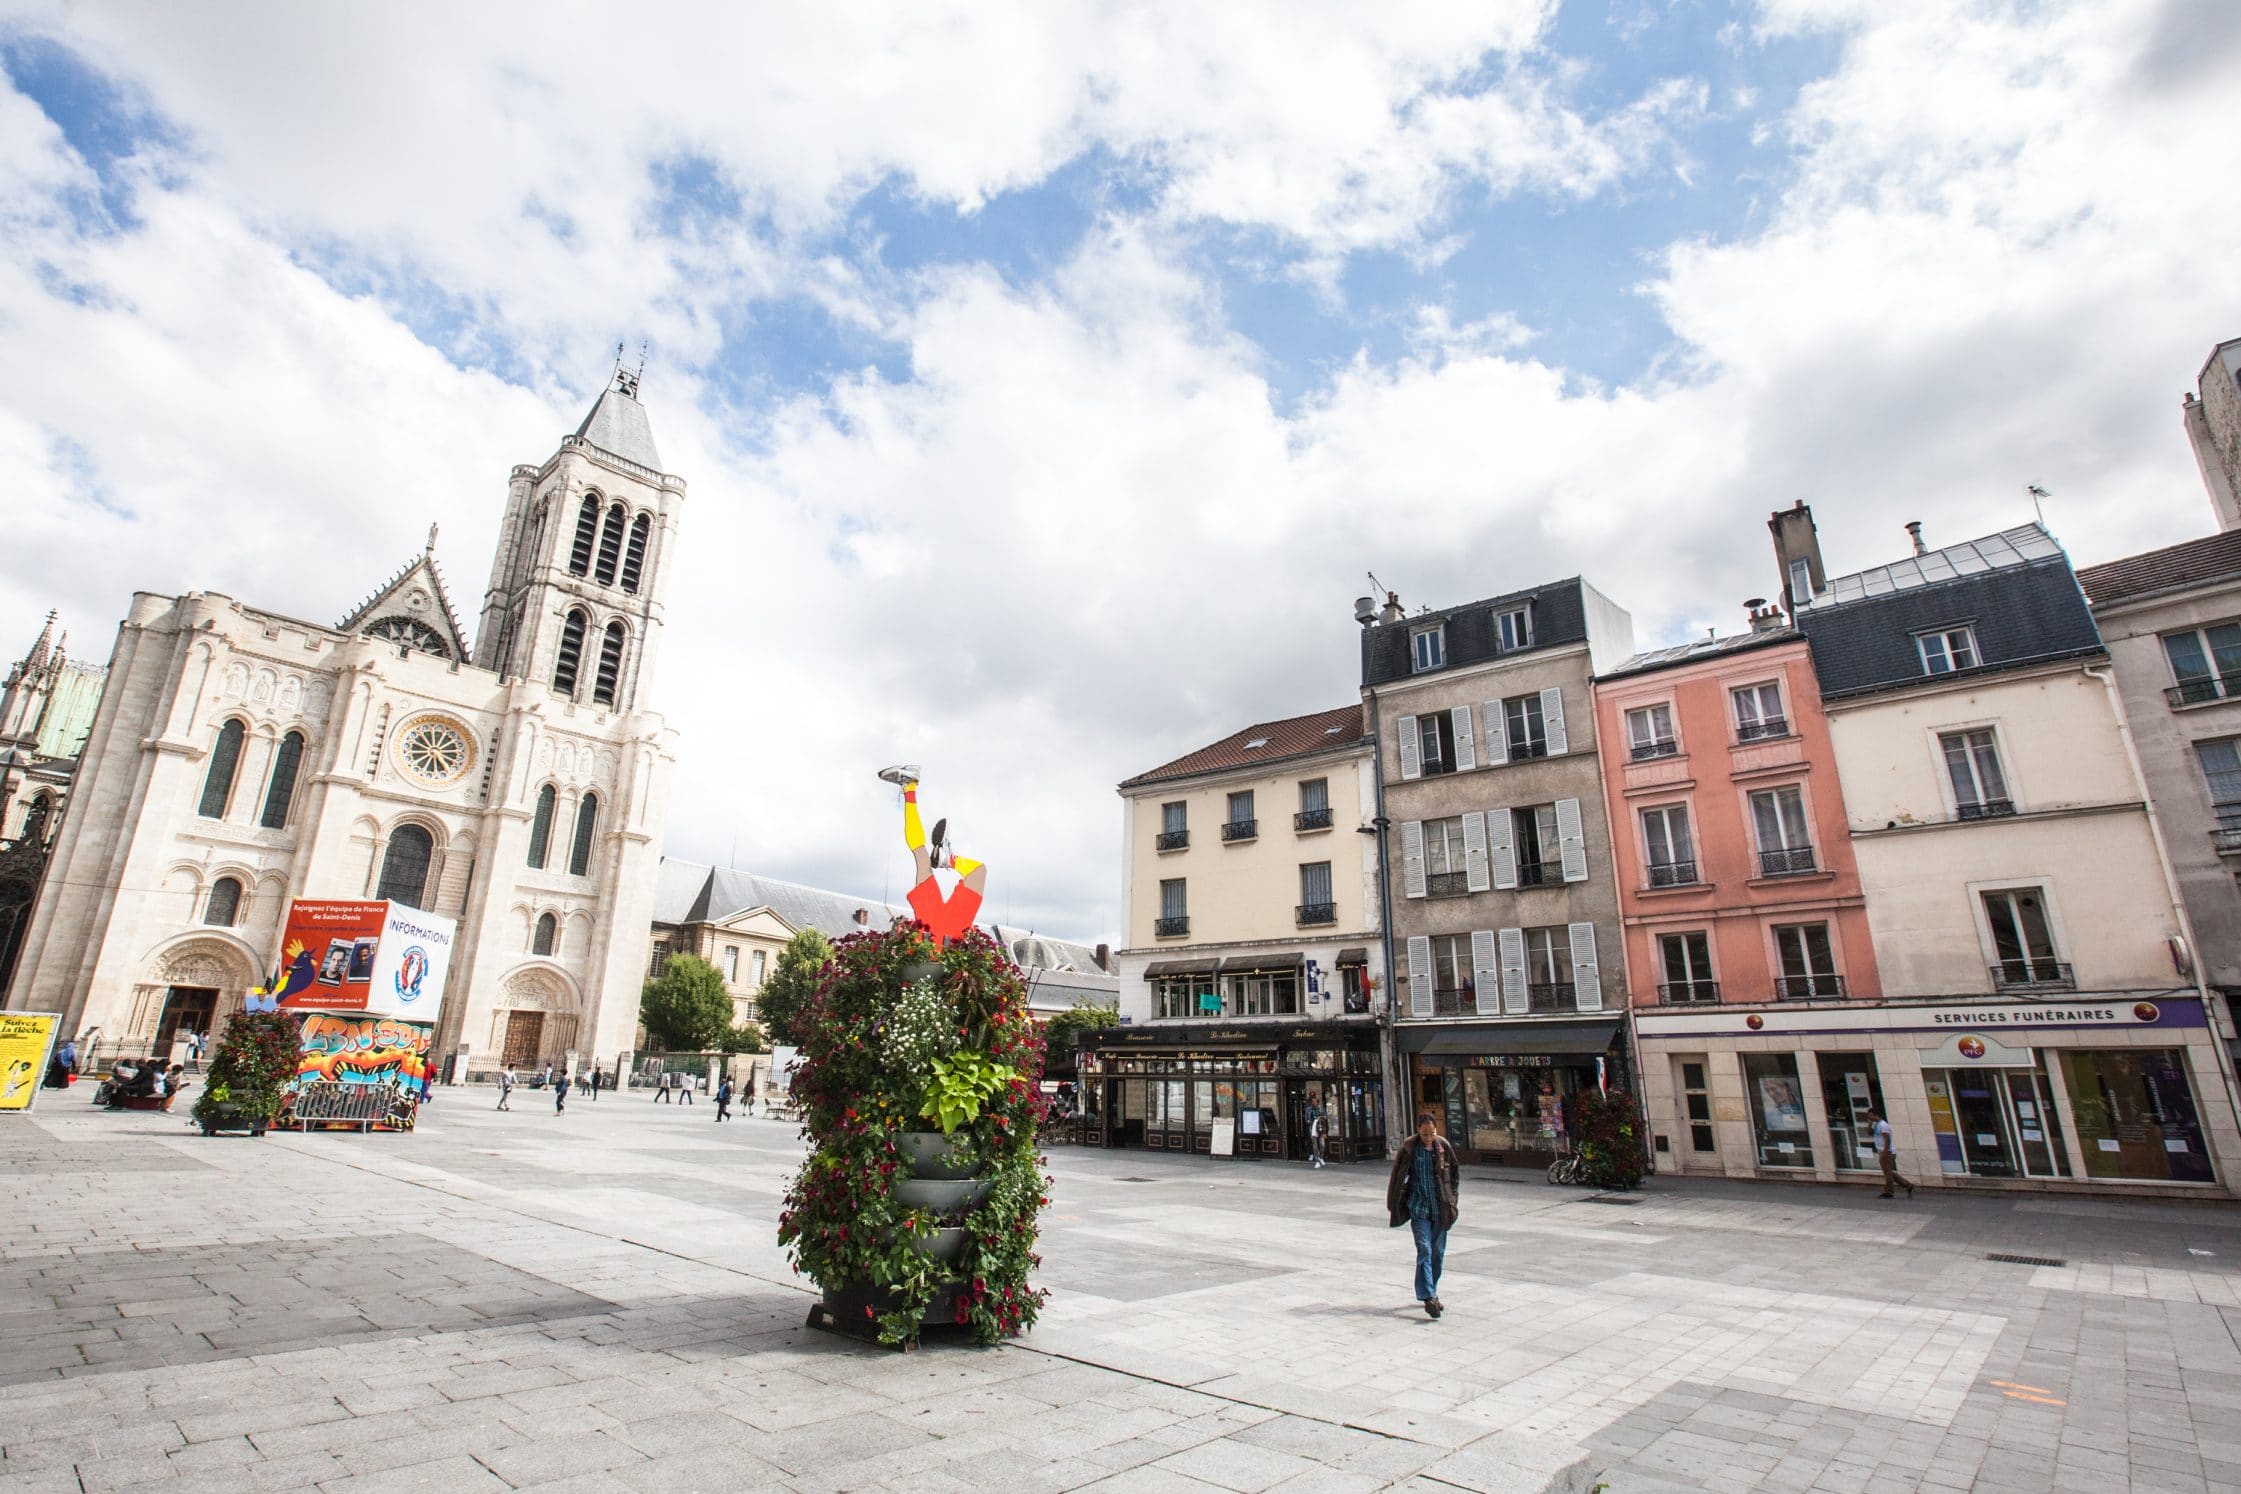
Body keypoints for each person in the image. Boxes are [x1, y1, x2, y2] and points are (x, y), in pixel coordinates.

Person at [1387, 1110, 1460, 1318]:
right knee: (1425, 1250)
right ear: (1418, 1131)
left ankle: (1432, 1291)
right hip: (1418, 1208)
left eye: (1431, 1133)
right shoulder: (1410, 1148)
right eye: (1424, 1134)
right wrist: (1394, 1202)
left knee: (1437, 1254)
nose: (1428, 1138)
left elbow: (1454, 1174)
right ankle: (1428, 1297)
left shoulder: (1443, 1146)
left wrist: (1453, 1199)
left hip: (1440, 1208)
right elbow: (1397, 1176)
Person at [1869, 1107, 1915, 1199]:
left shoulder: (1883, 1125)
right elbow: (1870, 1133)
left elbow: (1887, 1139)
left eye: (1869, 1115)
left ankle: (1889, 1191)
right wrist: (1869, 1124)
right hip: (1882, 1151)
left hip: (1887, 1151)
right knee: (1888, 1171)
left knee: (1888, 1173)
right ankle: (1908, 1185)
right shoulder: (1875, 1124)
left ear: (1874, 1114)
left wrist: (1885, 1152)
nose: (1868, 1117)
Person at [1307, 1104, 1330, 1169]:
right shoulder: (1309, 1110)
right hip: (1313, 1127)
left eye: (1315, 1102)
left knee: (1322, 1145)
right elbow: (1307, 1119)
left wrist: (1321, 1117)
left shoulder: (1322, 1109)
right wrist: (1311, 1121)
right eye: (1312, 1102)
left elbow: (1326, 1118)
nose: (1313, 1103)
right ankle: (1317, 1161)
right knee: (1315, 1146)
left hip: (1321, 1128)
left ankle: (1321, 1157)